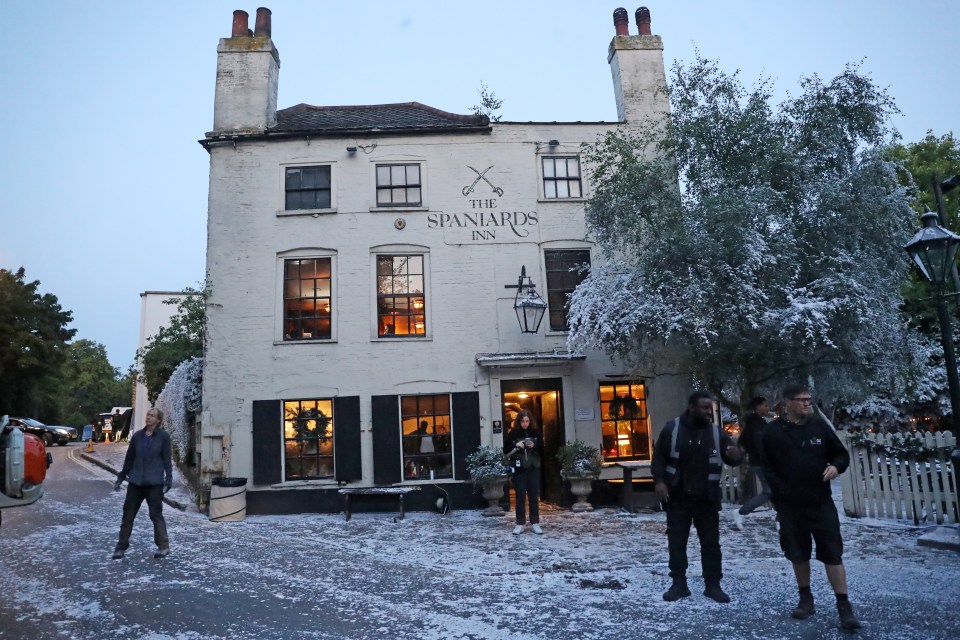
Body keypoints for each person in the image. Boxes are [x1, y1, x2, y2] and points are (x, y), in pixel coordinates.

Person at [762, 384, 861, 630]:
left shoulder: (819, 427)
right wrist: (779, 492)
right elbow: (765, 466)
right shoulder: (772, 432)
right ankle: (805, 598)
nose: (807, 404)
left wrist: (836, 467)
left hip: (820, 502)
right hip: (789, 505)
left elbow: (841, 455)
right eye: (801, 400)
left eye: (809, 399)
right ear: (787, 402)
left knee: (832, 552)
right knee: (798, 552)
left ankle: (844, 606)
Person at [651, 391, 743, 603]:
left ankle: (713, 585)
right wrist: (659, 481)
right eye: (703, 408)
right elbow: (659, 457)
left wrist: (736, 455)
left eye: (709, 408)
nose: (708, 412)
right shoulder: (672, 429)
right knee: (677, 543)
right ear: (691, 407)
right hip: (678, 497)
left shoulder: (716, 432)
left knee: (711, 544)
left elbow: (732, 456)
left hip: (707, 499)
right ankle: (679, 584)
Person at [111, 407, 173, 560]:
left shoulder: (163, 437)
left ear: (158, 420)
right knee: (128, 515)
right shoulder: (138, 436)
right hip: (136, 482)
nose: (148, 417)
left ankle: (163, 546)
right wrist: (121, 476)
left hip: (154, 483)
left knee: (156, 515)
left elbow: (167, 460)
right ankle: (121, 547)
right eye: (148, 415)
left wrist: (169, 479)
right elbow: (129, 458)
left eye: (152, 416)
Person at [731, 396, 772, 530]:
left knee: (773, 489)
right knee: (769, 490)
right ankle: (741, 512)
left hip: (760, 462)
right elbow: (757, 444)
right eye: (765, 405)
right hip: (761, 462)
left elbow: (743, 441)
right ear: (757, 407)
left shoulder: (756, 423)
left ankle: (782, 517)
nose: (768, 408)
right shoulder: (756, 425)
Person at [504, 410, 543, 535]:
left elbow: (543, 449)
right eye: (522, 421)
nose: (525, 424)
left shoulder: (535, 432)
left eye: (527, 421)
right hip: (519, 469)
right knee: (520, 496)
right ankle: (520, 523)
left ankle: (535, 522)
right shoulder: (513, 434)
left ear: (530, 421)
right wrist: (517, 447)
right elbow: (505, 451)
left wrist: (534, 446)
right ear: (519, 422)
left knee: (533, 496)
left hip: (533, 467)